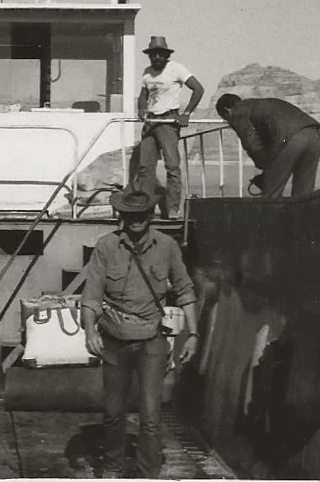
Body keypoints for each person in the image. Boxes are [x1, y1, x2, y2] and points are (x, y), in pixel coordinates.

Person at [81, 184, 199, 479]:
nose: (136, 219)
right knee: (113, 412)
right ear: (121, 214)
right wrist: (89, 331)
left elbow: (185, 291)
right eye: (130, 213)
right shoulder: (106, 246)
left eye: (142, 213)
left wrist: (194, 334)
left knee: (150, 414)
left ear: (151, 214)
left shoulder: (167, 247)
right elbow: (92, 296)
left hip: (151, 342)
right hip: (114, 341)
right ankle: (112, 466)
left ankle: (149, 473)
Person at [134, 36, 205, 219]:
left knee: (172, 167)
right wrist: (141, 109)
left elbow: (198, 89)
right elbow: (143, 95)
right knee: (145, 168)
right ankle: (146, 209)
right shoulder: (147, 72)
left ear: (166, 55)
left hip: (168, 122)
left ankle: (173, 209)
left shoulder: (176, 68)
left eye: (160, 54)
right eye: (153, 54)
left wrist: (186, 113)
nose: (156, 57)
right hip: (151, 121)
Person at [215, 93, 320, 198]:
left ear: (227, 110)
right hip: (315, 134)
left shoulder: (238, 112)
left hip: (290, 139)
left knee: (271, 196)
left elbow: (252, 145)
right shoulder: (262, 104)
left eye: (225, 118)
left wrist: (265, 169)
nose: (228, 122)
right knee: (304, 194)